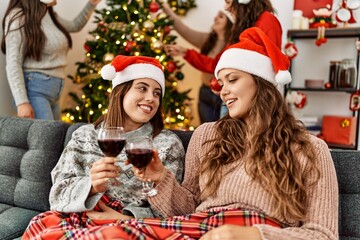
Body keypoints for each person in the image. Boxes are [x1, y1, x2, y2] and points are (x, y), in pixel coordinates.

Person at [26, 27, 338, 240]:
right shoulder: (208, 135)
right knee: (91, 232)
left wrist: (253, 234)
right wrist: (161, 178)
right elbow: (188, 208)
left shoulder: (310, 149)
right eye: (221, 84)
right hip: (196, 227)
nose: (223, 91)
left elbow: (323, 234)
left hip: (254, 229)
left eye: (231, 80)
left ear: (263, 83)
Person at [21, 55, 185, 239]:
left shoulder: (168, 144)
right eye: (142, 88)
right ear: (121, 91)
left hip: (131, 226)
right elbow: (57, 194)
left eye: (156, 93)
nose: (151, 98)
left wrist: (124, 218)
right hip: (80, 218)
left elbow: (174, 209)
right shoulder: (85, 136)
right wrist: (91, 187)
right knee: (40, 224)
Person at [166, 0, 283, 118]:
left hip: (255, 103)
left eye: (228, 1)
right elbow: (216, 64)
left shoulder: (267, 21)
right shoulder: (239, 29)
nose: (226, 7)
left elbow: (269, 66)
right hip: (233, 100)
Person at [1, 0, 101, 120]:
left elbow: (75, 25)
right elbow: (13, 63)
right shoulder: (18, 17)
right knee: (47, 136)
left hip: (55, 91)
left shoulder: (48, 14)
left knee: (54, 136)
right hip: (35, 90)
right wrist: (21, 102)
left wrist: (92, 3)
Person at [163, 3, 234, 123]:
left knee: (223, 134)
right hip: (205, 92)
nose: (216, 18)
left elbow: (213, 65)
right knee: (205, 132)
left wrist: (186, 52)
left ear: (230, 23)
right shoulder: (207, 40)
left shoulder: (233, 45)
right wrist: (166, 8)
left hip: (223, 95)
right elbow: (183, 29)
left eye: (221, 16)